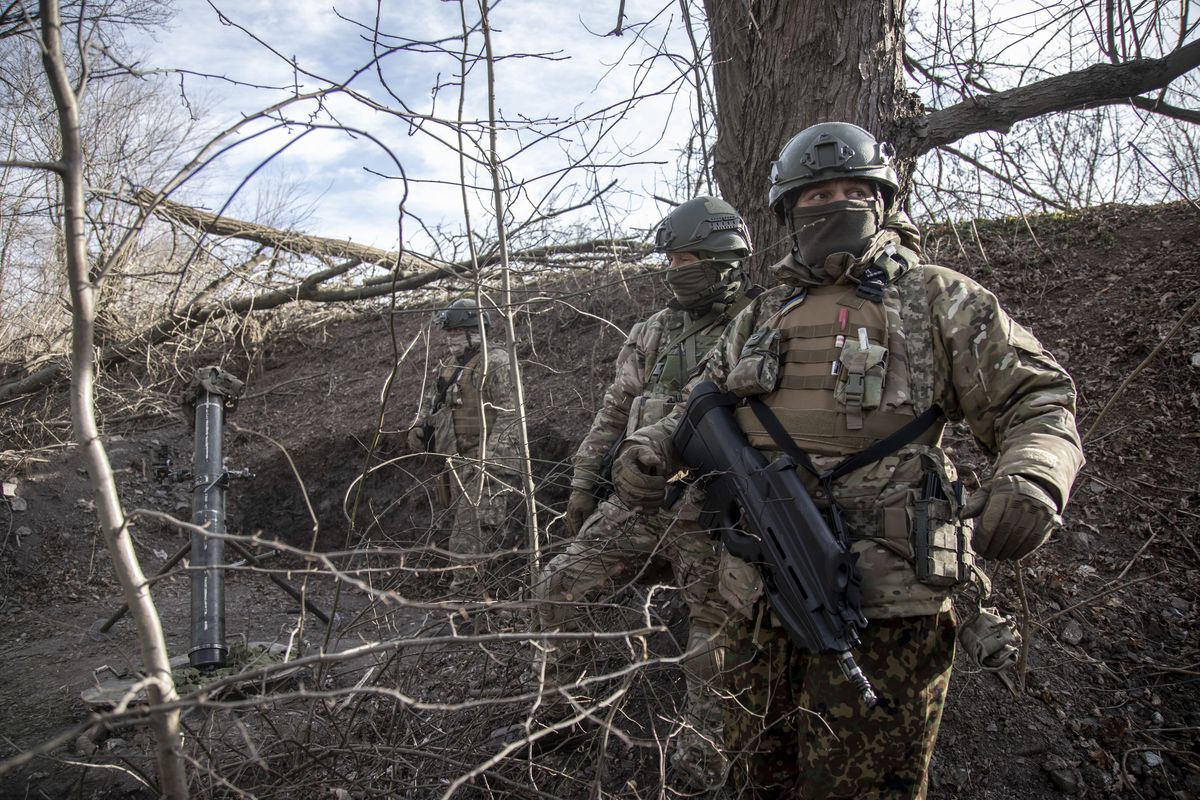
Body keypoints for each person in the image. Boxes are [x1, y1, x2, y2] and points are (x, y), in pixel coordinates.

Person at [611, 122, 1085, 798]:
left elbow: (1039, 399)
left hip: (887, 608)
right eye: (815, 195)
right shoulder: (763, 312)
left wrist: (1035, 474)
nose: (834, 204)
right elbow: (700, 398)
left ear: (882, 201)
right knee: (754, 779)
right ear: (789, 213)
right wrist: (652, 447)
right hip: (757, 601)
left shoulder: (938, 300)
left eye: (851, 190)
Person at [532, 196, 758, 789]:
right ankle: (564, 714)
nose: (674, 268)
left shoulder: (761, 321)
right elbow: (613, 413)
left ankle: (701, 763)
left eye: (687, 258)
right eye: (671, 258)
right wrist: (584, 483)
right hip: (637, 500)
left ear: (724, 260)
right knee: (560, 583)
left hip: (712, 510)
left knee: (712, 636)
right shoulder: (654, 329)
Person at [408, 298, 519, 590]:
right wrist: (420, 427)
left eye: (456, 333)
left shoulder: (496, 362)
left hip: (486, 467)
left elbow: (511, 416)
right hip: (457, 465)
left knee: (469, 542)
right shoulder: (450, 368)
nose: (451, 340)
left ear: (475, 331)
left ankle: (467, 609)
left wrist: (489, 465)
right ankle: (480, 607)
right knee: (467, 540)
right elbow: (433, 406)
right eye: (449, 334)